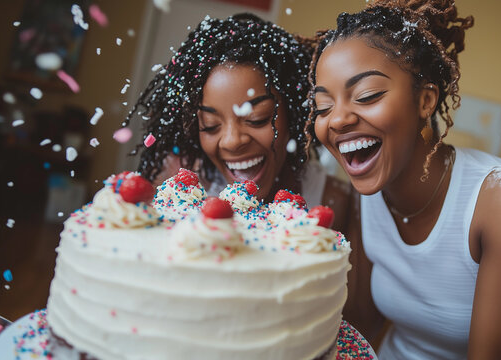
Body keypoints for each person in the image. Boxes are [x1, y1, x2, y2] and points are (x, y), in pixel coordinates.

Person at [305, 1, 501, 359]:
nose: (337, 120)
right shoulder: (368, 187)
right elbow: (358, 328)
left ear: (425, 100)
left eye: (367, 96)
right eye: (323, 107)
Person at [123, 13, 351, 228]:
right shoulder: (175, 190)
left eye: (257, 119)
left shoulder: (333, 201)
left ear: (294, 115)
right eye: (210, 125)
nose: (232, 141)